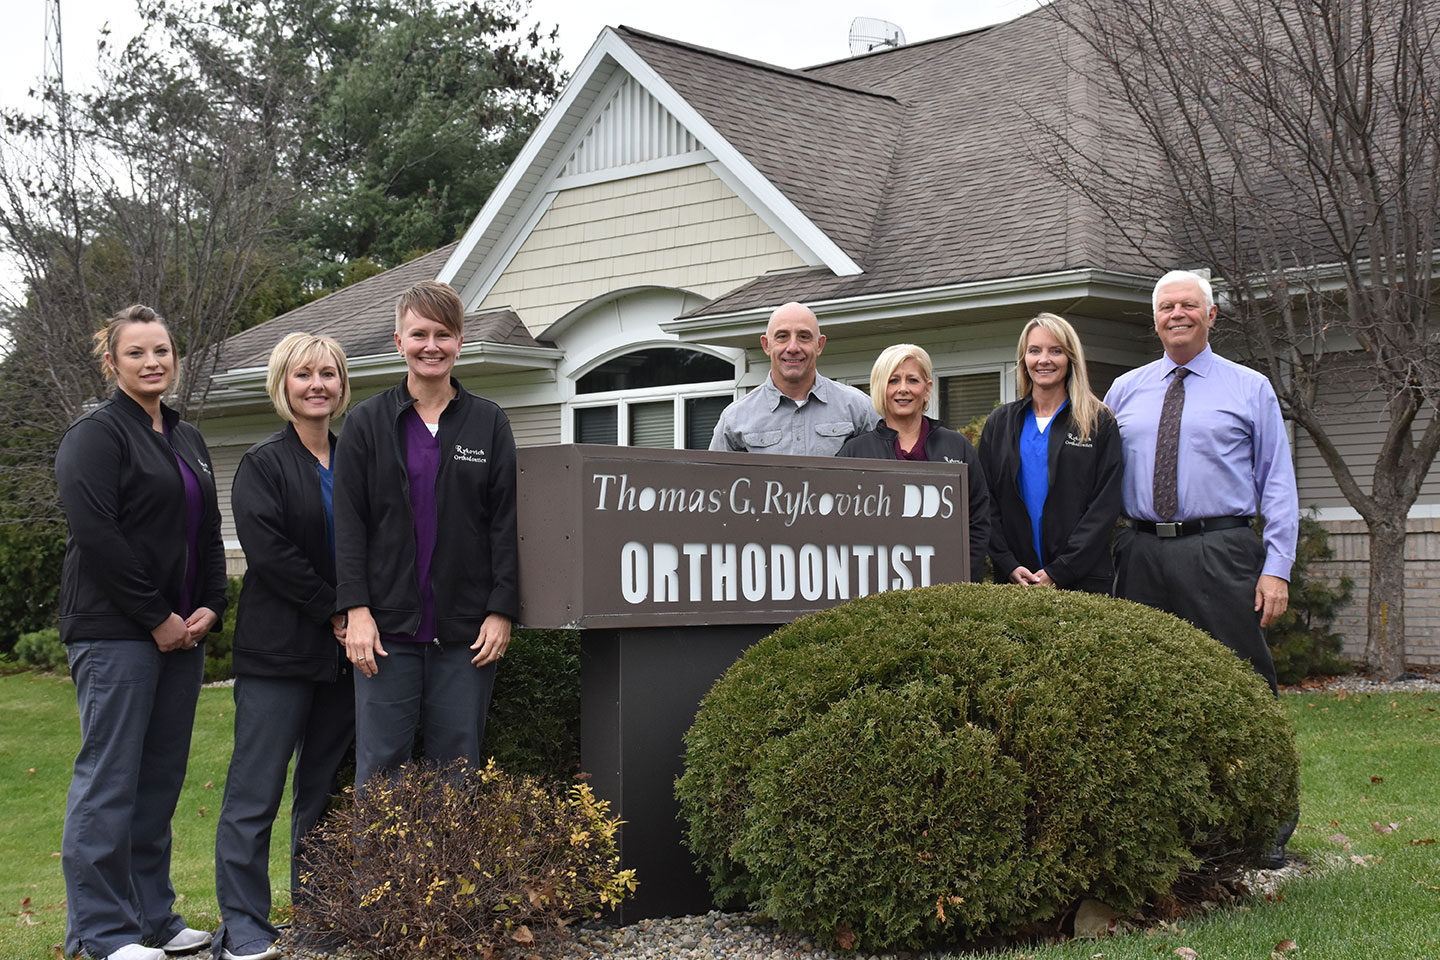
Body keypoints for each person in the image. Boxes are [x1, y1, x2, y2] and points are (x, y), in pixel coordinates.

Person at [56, 305, 226, 960]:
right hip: (114, 633)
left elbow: (205, 531)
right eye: (137, 353)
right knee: (110, 778)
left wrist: (211, 604)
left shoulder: (185, 438)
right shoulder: (95, 436)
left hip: (182, 635)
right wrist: (156, 619)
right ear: (112, 362)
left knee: (157, 781)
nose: (153, 362)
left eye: (162, 350)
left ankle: (154, 918)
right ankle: (101, 932)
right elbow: (100, 538)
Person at [333, 280, 519, 788]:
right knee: (379, 774)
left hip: (465, 637)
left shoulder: (488, 424)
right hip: (386, 634)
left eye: (443, 334)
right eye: (419, 334)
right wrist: (357, 612)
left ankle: (449, 872)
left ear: (460, 341)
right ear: (399, 342)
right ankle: (375, 873)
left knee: (456, 774)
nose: (431, 345)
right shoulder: (366, 424)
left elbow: (504, 524)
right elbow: (348, 525)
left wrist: (501, 610)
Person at [213, 334, 355, 960]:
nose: (317, 384)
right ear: (283, 386)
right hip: (279, 654)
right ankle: (244, 924)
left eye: (328, 373)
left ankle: (318, 908)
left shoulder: (356, 459)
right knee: (256, 792)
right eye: (304, 375)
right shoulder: (262, 464)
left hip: (346, 656)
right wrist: (337, 610)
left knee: (322, 790)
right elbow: (270, 556)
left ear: (342, 384)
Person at [1104, 270, 1298, 694]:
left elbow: (1278, 481)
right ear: (1155, 319)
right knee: (1142, 678)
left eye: (1189, 305)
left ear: (1210, 315)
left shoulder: (1250, 388)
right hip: (1140, 554)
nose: (1178, 314)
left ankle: (1254, 760)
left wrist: (1277, 569)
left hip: (1221, 551)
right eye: (1167, 307)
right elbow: (1097, 474)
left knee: (1240, 677)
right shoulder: (1123, 391)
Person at [977, 313, 1123, 593]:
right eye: (1035, 351)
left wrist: (1061, 570)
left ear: (1071, 359)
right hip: (1015, 581)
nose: (1044, 359)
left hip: (1083, 579)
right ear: (1024, 359)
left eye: (1056, 351)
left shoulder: (1098, 421)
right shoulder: (1001, 422)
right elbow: (986, 500)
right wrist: (1007, 563)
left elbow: (1104, 506)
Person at [836, 344, 991, 582]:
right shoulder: (854, 452)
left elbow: (978, 519)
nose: (903, 389)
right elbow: (840, 530)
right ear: (880, 388)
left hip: (948, 586)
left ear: (927, 389)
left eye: (912, 380)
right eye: (893, 381)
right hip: (875, 593)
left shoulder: (957, 447)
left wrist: (963, 576)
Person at [709, 301, 877, 455]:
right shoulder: (734, 419)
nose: (793, 347)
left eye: (804, 336)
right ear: (766, 345)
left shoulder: (859, 409)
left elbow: (886, 475)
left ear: (819, 345)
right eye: (782, 336)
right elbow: (716, 482)